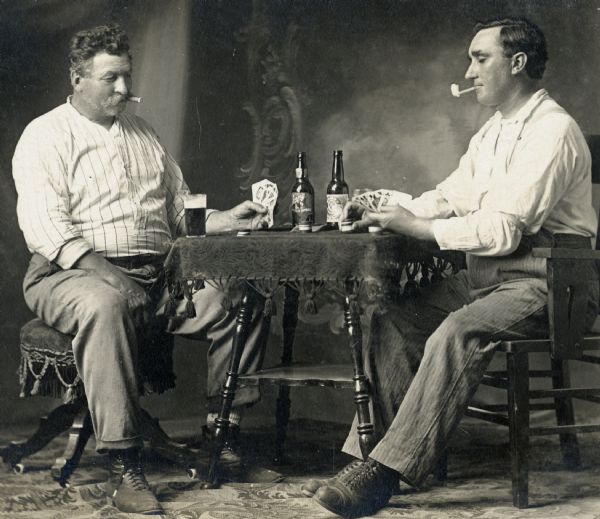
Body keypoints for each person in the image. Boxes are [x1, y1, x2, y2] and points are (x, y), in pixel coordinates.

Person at [305, 17, 599, 518]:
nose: (470, 70)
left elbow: (506, 230)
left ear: (518, 63)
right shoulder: (493, 132)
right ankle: (369, 457)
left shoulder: (554, 132)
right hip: (489, 278)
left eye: (480, 58)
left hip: (550, 283)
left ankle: (385, 473)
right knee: (392, 317)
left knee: (455, 331)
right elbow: (450, 197)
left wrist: (416, 228)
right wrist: (392, 210)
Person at [12, 24, 271, 515]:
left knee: (242, 296)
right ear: (77, 78)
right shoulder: (45, 135)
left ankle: (224, 440)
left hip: (158, 273)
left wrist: (224, 220)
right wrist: (113, 279)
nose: (125, 90)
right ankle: (125, 464)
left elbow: (180, 213)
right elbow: (47, 227)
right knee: (107, 304)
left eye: (127, 77)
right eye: (111, 79)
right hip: (67, 275)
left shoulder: (143, 134)